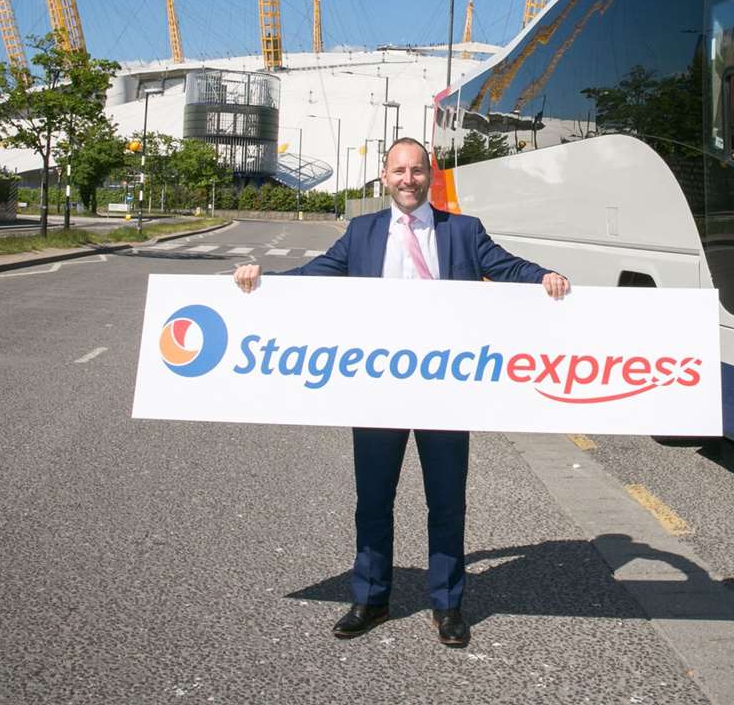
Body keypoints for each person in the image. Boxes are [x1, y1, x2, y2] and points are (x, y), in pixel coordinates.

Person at [233, 136, 569, 648]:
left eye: (417, 171)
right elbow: (315, 276)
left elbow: (506, 266)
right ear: (384, 178)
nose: (408, 179)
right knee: (372, 501)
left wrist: (543, 276)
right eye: (399, 171)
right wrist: (263, 282)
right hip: (379, 389)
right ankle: (370, 598)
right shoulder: (363, 232)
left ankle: (448, 605)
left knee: (447, 502)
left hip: (444, 388)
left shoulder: (463, 230)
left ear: (429, 176)